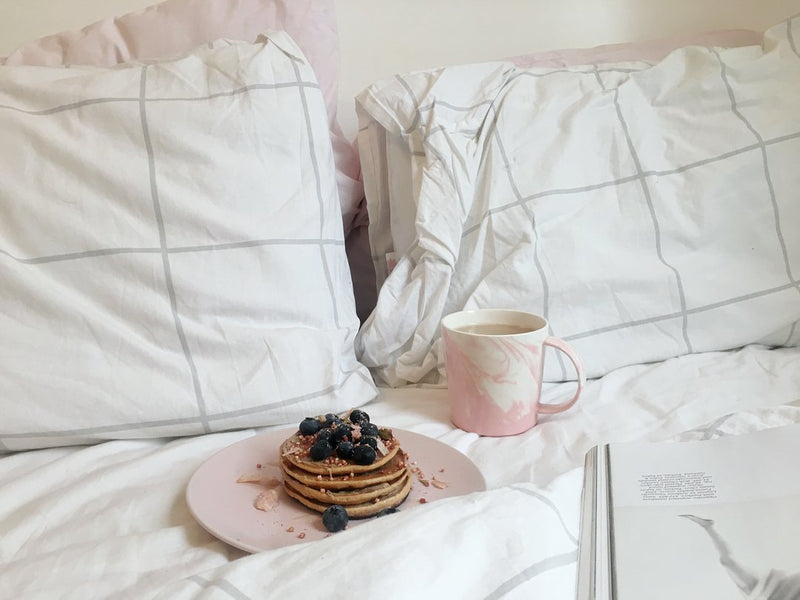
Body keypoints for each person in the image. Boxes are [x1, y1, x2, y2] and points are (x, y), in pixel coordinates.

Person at [679, 514, 800, 599]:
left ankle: (708, 526)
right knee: (729, 562)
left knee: (728, 562)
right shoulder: (759, 585)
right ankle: (708, 526)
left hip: (767, 590)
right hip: (771, 587)